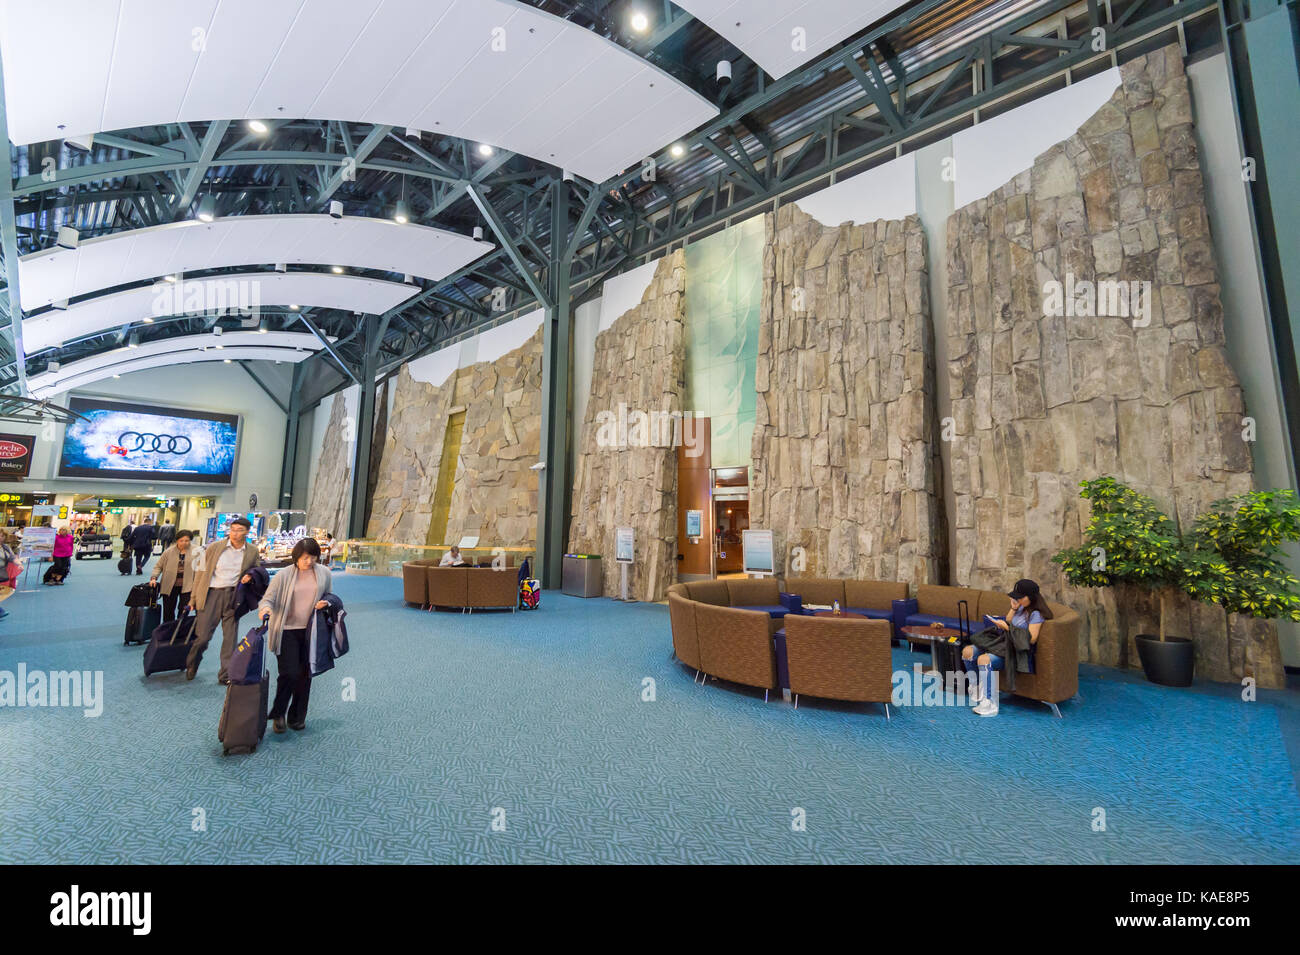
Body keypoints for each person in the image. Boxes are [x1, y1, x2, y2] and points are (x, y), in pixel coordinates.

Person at [258, 538, 331, 733]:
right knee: (289, 673)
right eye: (305, 557)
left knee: (305, 675)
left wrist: (326, 603)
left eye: (313, 557)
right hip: (287, 630)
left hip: (311, 631)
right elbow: (268, 599)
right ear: (297, 557)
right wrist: (265, 610)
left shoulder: (324, 573)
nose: (309, 561)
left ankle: (297, 717)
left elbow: (329, 596)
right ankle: (279, 713)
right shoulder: (284, 575)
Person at [961, 578, 1051, 717]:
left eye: (1021, 597)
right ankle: (976, 687)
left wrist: (1008, 629)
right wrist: (1013, 608)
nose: (1018, 600)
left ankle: (990, 703)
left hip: (1016, 651)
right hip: (1003, 643)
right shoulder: (1021, 607)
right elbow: (1009, 620)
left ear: (1031, 597)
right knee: (968, 652)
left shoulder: (1036, 614)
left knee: (984, 660)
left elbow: (1031, 639)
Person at [186, 517, 261, 684]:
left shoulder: (252, 551)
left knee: (230, 638)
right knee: (203, 637)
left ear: (247, 532)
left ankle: (226, 674)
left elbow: (257, 568)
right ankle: (192, 663)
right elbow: (200, 572)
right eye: (233, 530)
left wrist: (251, 576)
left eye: (239, 530)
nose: (235, 533)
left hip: (235, 597)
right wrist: (193, 598)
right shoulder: (215, 547)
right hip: (212, 594)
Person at [149, 530, 196, 623]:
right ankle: (168, 630)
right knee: (168, 611)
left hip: (188, 585)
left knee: (183, 610)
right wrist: (154, 578)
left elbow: (202, 570)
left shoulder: (197, 551)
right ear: (177, 541)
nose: (184, 543)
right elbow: (158, 566)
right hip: (170, 585)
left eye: (187, 540)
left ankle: (179, 630)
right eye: (181, 540)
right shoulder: (168, 552)